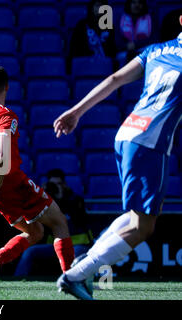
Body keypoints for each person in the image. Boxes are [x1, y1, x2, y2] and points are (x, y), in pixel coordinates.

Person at [53, 15, 182, 300]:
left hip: (126, 134)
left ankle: (83, 265)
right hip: (151, 143)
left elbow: (114, 79)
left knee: (132, 217)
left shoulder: (156, 50)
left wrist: (76, 111)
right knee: (143, 227)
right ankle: (76, 275)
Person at [0, 66, 75, 289]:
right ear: (7, 87)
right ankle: (72, 279)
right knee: (59, 223)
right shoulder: (5, 116)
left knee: (35, 232)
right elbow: (1, 155)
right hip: (10, 183)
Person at [15, 169, 93, 276]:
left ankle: (72, 281)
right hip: (55, 246)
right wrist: (41, 196)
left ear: (64, 184)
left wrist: (62, 198)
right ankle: (19, 280)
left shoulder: (76, 200)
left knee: (78, 251)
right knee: (30, 252)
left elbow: (79, 220)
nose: (56, 187)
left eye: (59, 184)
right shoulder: (46, 201)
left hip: (77, 245)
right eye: (53, 184)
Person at [67, 0, 117, 72]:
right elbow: (75, 49)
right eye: (97, 6)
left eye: (101, 6)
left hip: (105, 65)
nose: (99, 8)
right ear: (91, 8)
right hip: (85, 64)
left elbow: (113, 50)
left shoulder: (109, 26)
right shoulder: (81, 25)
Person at [116, 0, 153, 66]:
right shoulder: (120, 19)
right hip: (125, 51)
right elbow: (116, 40)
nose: (137, 5)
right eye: (133, 2)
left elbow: (154, 39)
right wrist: (126, 46)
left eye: (139, 2)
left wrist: (136, 45)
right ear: (129, 4)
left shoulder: (151, 18)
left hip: (144, 50)